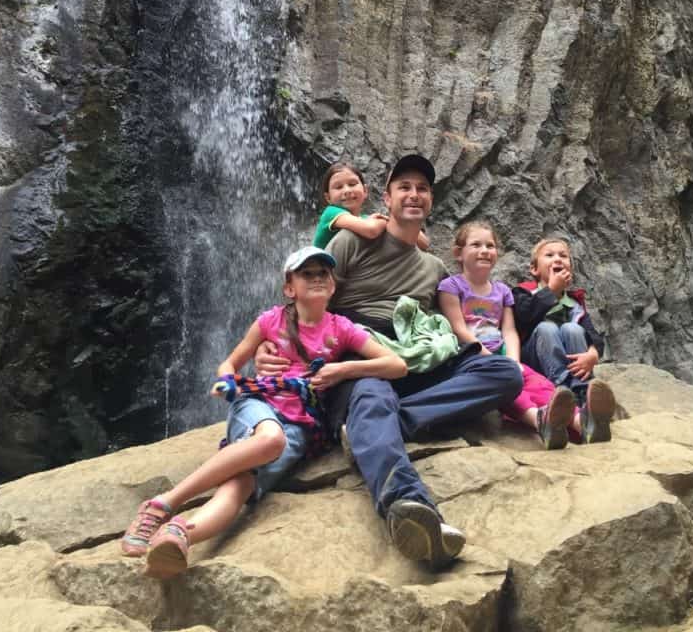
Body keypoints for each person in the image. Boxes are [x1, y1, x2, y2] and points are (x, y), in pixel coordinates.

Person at [258, 154, 523, 570]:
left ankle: (389, 422)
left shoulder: (434, 268)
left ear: (430, 200)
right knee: (372, 394)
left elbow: (460, 318)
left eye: (422, 188)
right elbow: (306, 296)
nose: (414, 195)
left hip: (415, 357)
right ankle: (408, 506)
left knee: (504, 372)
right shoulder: (350, 242)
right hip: (361, 356)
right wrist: (269, 346)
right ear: (387, 197)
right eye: (405, 187)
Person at [120, 246, 406, 578]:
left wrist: (341, 371)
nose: (316, 278)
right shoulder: (270, 321)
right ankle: (161, 505)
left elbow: (397, 365)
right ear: (289, 288)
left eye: (322, 273)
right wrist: (230, 382)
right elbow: (229, 363)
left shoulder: (340, 327)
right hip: (260, 405)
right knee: (271, 440)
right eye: (306, 273)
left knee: (240, 486)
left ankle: (179, 535)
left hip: (301, 424)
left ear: (332, 285)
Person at [437, 221, 602, 450]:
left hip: (502, 351)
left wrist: (513, 361)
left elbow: (509, 330)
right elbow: (459, 329)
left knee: (536, 381)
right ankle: (539, 420)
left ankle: (581, 420)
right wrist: (488, 356)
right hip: (470, 354)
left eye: (490, 245)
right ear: (458, 253)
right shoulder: (450, 286)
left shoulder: (502, 291)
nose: (484, 250)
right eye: (476, 245)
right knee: (506, 384)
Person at [512, 236, 615, 443]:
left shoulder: (574, 302)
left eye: (563, 255)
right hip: (538, 365)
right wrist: (550, 290)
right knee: (547, 328)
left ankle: (583, 398)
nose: (557, 259)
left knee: (573, 329)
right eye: (549, 255)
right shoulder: (522, 292)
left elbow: (592, 334)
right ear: (534, 269)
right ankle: (563, 394)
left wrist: (593, 355)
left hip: (573, 368)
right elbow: (523, 317)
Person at [313, 161, 429, 251]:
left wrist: (397, 223)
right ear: (328, 198)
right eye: (338, 187)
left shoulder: (366, 219)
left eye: (352, 184)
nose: (347, 190)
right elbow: (371, 230)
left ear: (365, 190)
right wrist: (387, 221)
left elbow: (424, 243)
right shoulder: (331, 213)